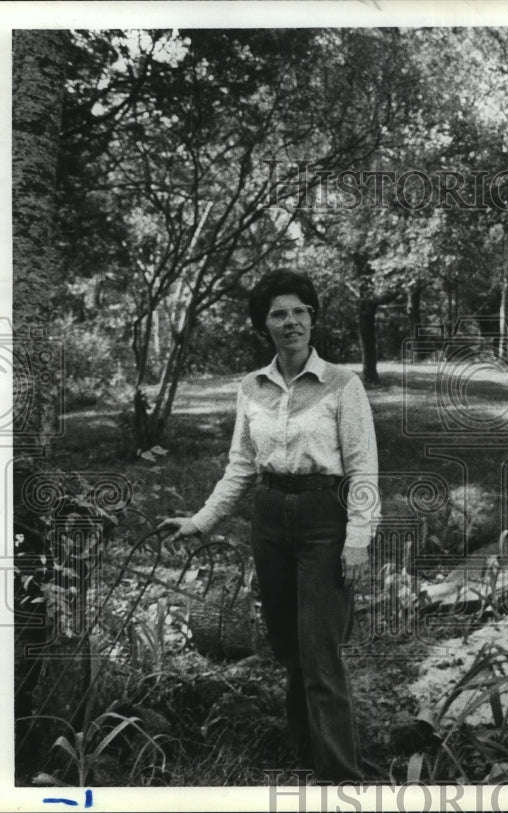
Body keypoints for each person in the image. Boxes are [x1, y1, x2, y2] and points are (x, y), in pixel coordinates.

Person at [159, 270, 379, 782]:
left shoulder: (343, 384)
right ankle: (306, 753)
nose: (291, 321)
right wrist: (201, 521)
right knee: (290, 647)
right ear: (264, 325)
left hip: (325, 518)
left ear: (313, 318)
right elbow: (241, 465)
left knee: (320, 652)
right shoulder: (250, 387)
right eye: (279, 314)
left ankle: (342, 777)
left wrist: (358, 540)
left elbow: (364, 469)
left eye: (301, 311)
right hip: (271, 520)